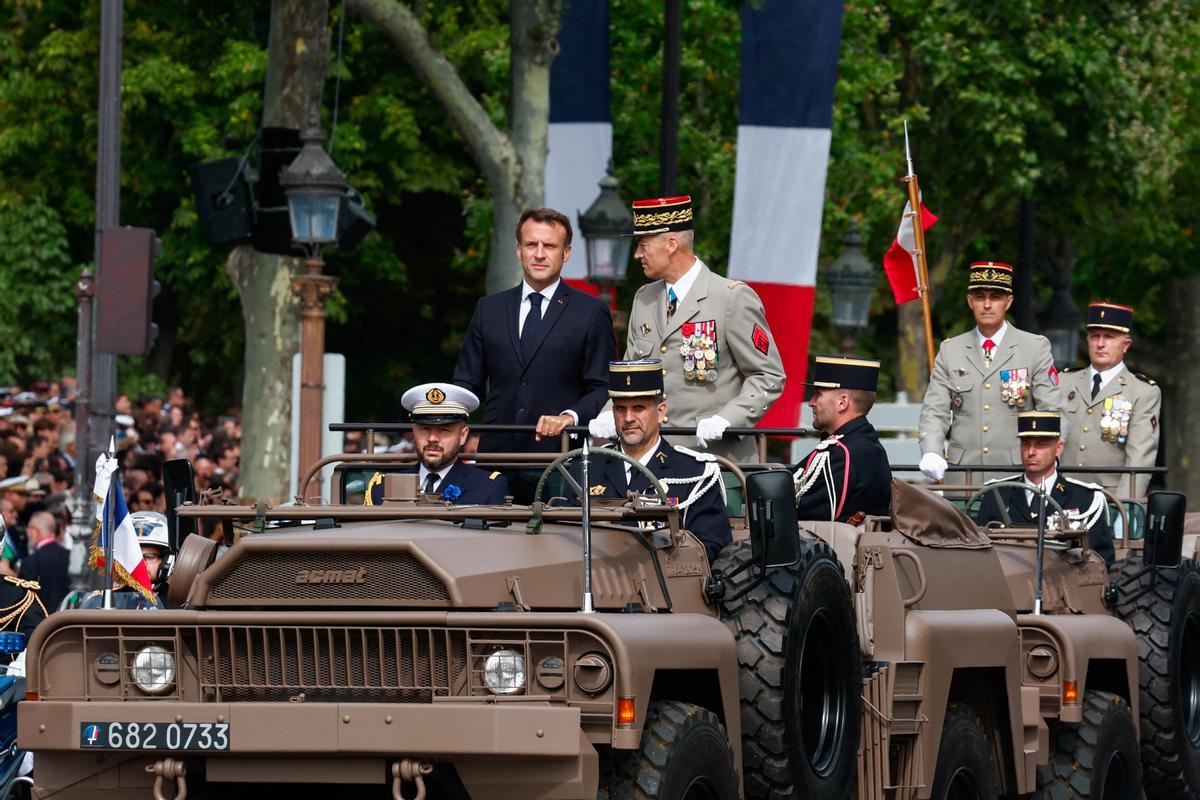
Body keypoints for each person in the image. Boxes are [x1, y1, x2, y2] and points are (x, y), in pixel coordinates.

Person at [590, 196, 786, 462]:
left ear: (671, 245)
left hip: (715, 459)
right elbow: (631, 371)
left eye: (643, 244)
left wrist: (729, 418)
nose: (637, 254)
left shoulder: (730, 297)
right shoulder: (644, 298)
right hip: (652, 460)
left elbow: (769, 375)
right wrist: (608, 411)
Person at [453, 207, 616, 454]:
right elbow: (466, 383)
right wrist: (440, 417)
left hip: (559, 455)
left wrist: (570, 417)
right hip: (497, 455)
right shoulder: (489, 308)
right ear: (519, 250)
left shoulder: (590, 311)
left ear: (566, 252)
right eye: (531, 244)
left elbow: (604, 386)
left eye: (549, 246)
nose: (539, 254)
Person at [918, 261, 1063, 481]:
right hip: (963, 475)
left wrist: (1048, 459)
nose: (987, 304)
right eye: (980, 297)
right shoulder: (951, 350)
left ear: (1008, 302)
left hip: (1016, 473)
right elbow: (935, 411)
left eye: (995, 297)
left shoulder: (1034, 348)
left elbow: (1050, 410)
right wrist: (931, 450)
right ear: (970, 301)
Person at [577, 360, 731, 563]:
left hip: (666, 586)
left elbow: (710, 546)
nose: (629, 418)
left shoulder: (693, 473)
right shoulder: (586, 468)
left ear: (660, 413)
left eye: (638, 408)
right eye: (620, 409)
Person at [975, 411, 1113, 566]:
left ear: (1059, 447)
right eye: (1026, 443)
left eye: (1041, 445)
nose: (1031, 452)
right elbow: (980, 554)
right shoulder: (998, 494)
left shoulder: (1085, 498)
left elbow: (1102, 561)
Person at [1061, 302, 1161, 498]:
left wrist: (1124, 509)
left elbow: (1139, 460)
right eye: (1095, 336)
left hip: (1108, 499)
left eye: (1109, 337)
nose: (1100, 344)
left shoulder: (1141, 391)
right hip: (1061, 495)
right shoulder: (1064, 382)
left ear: (1126, 345)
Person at [365, 383, 509, 506]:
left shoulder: (487, 487)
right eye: (425, 429)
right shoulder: (382, 487)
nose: (433, 438)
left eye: (444, 430)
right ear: (414, 432)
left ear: (463, 435)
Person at [792, 356, 892, 522]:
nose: (811, 402)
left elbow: (806, 516)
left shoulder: (840, 453)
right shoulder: (865, 442)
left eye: (818, 395)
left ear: (842, 402)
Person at [19, 511, 70, 612]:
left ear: (35, 531)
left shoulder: (31, 561)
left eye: (29, 528)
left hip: (41, 622)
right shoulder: (69, 555)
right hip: (66, 620)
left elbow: (24, 599)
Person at [131, 511, 173, 600]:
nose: (141, 564)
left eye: (149, 556)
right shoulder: (106, 600)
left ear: (165, 561)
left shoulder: (179, 601)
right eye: (134, 556)